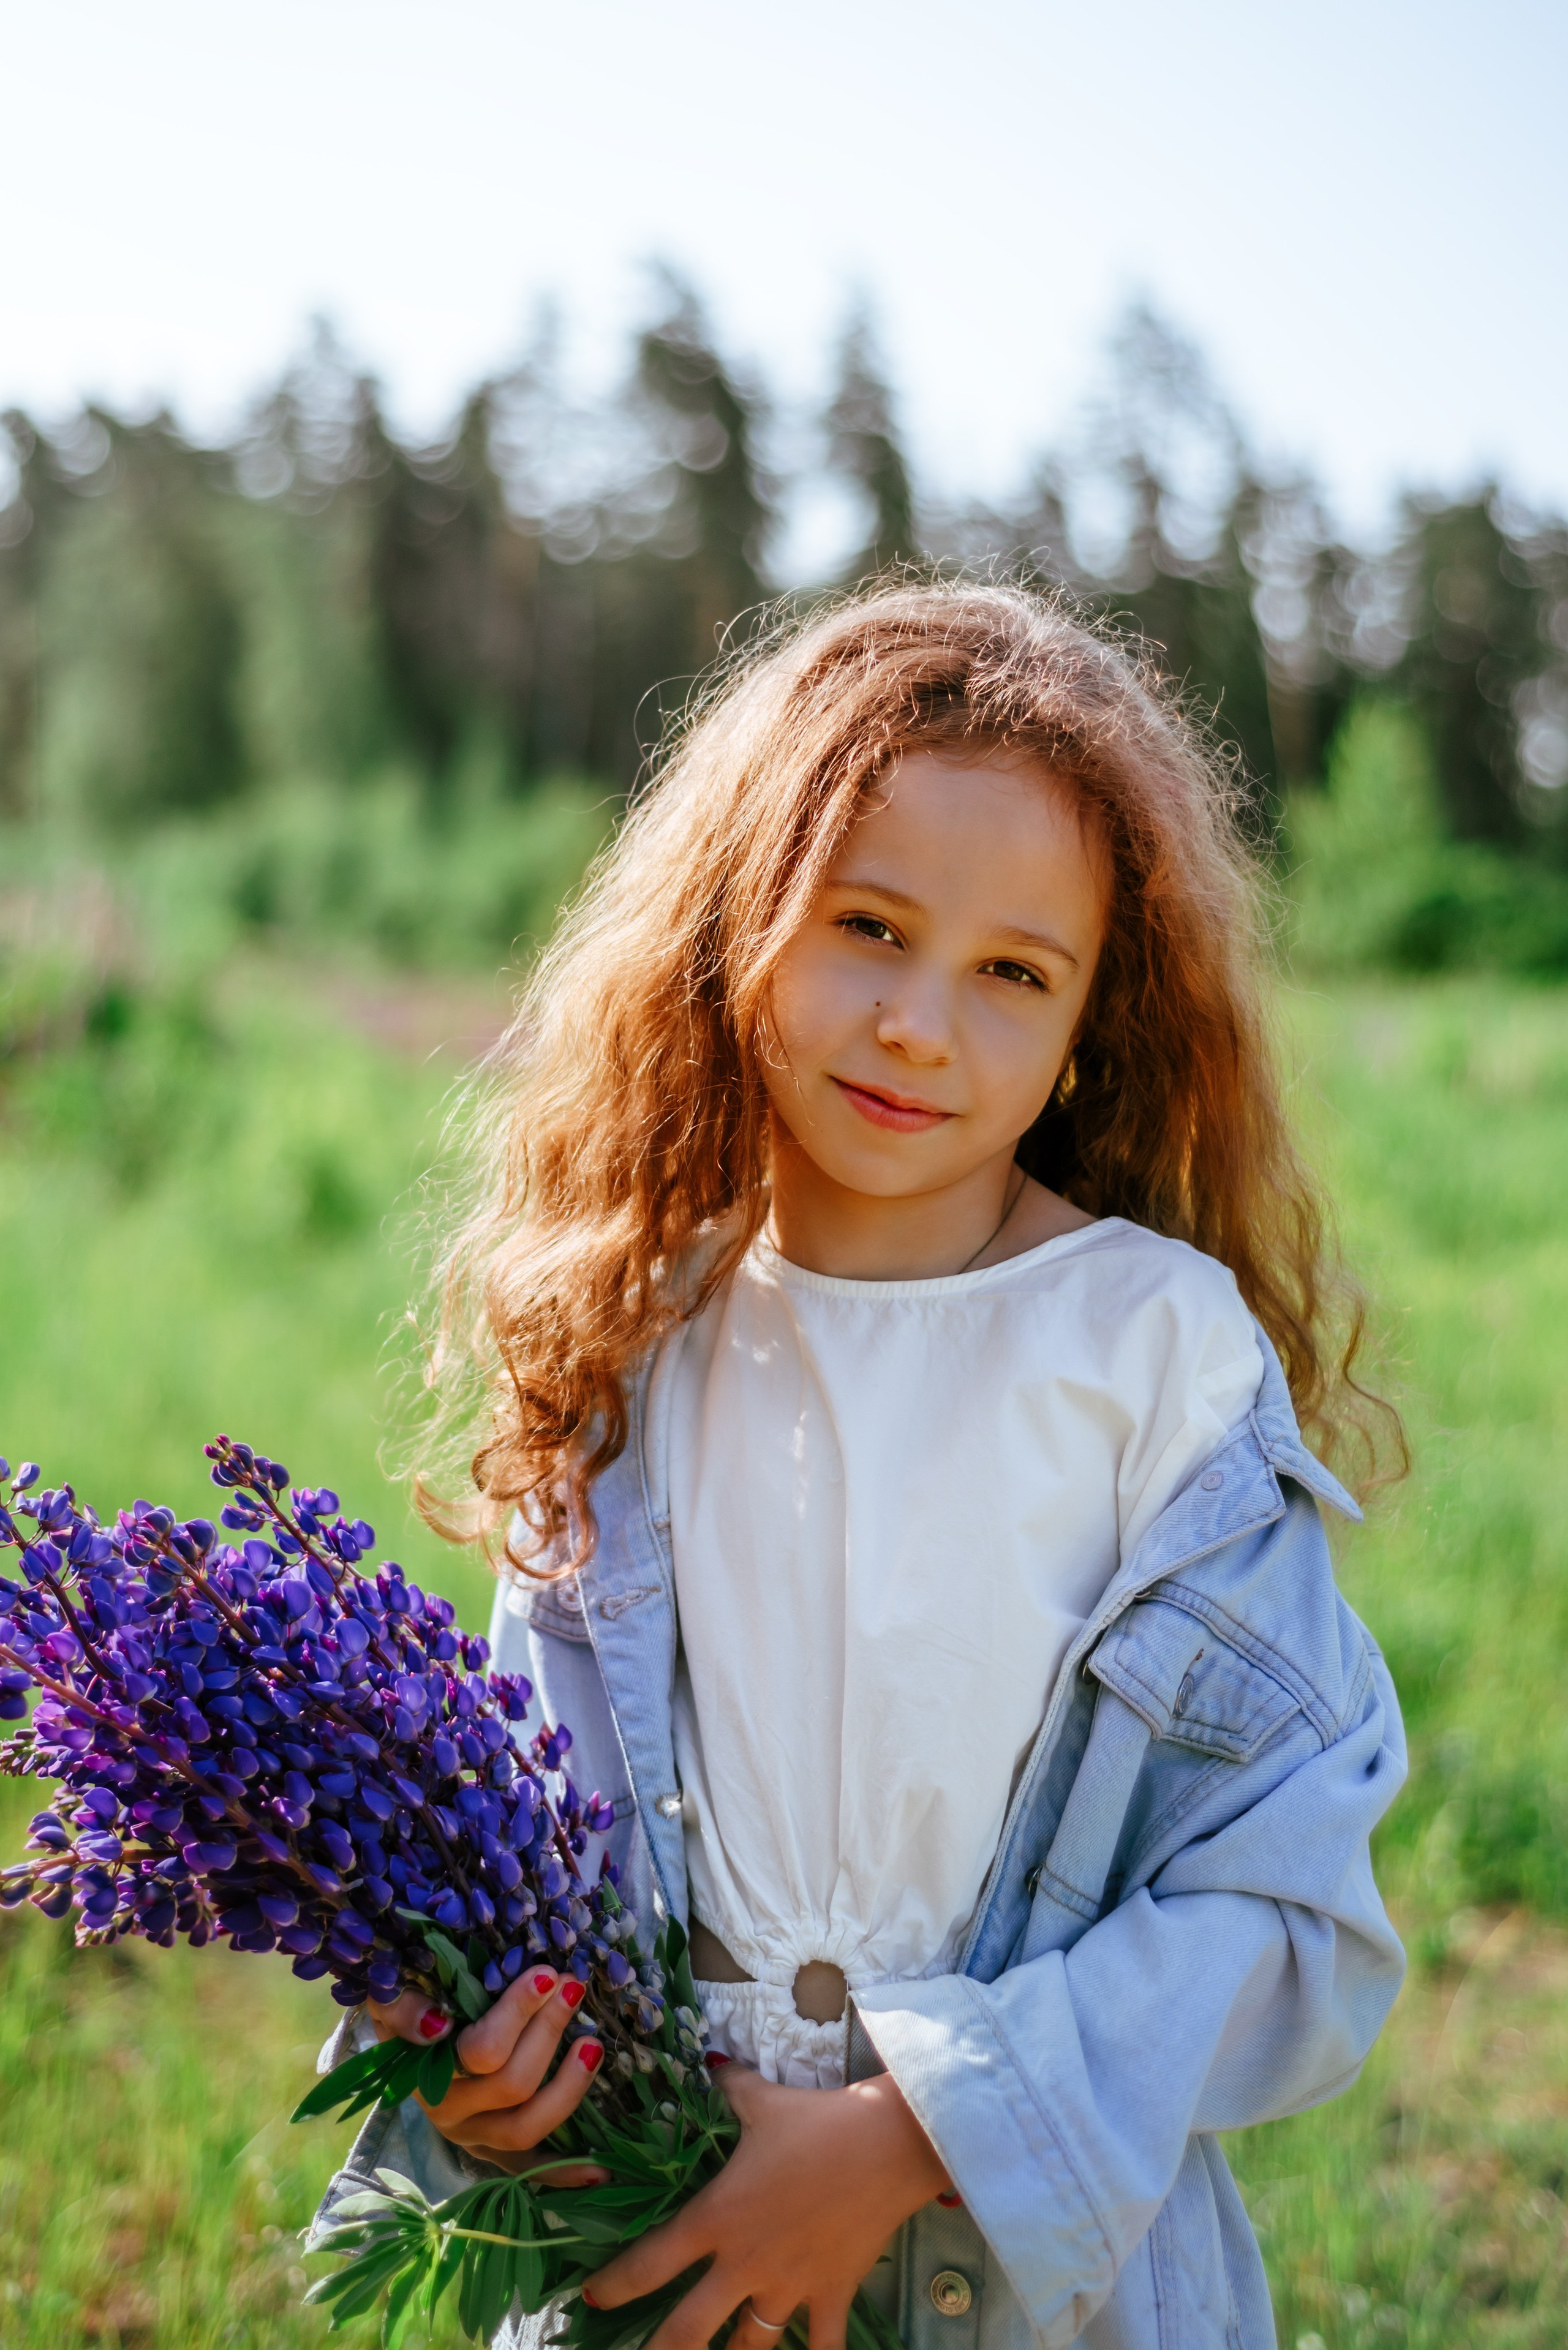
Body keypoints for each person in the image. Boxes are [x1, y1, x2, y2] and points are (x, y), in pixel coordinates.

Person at [312, 582, 1408, 2349]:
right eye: (869, 926)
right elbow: (507, 1851)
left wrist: (905, 2136)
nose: (919, 1023)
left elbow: (1289, 1926)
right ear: (738, 913)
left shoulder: (1154, 1359)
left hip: (1051, 2298)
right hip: (655, 2256)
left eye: (1012, 975)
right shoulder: (627, 1346)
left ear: (1086, 1028)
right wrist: (466, 2051)